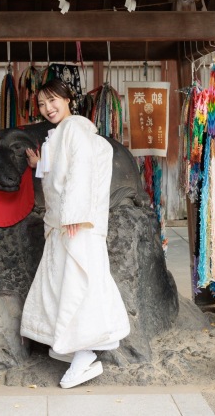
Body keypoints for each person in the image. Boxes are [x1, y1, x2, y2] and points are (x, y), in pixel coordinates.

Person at [21, 78, 130, 389]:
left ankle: (85, 355)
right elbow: (62, 171)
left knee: (77, 285)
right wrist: (39, 164)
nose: (48, 108)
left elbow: (81, 170)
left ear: (68, 99)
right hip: (65, 223)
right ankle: (75, 347)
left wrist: (74, 214)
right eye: (42, 104)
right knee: (65, 285)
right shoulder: (62, 133)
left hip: (74, 223)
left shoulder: (74, 129)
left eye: (53, 100)